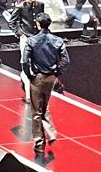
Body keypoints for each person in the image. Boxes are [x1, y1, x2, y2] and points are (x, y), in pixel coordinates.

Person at [22, 13, 69, 154]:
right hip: (51, 77)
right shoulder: (58, 40)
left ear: (37, 24)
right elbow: (66, 60)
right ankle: (51, 132)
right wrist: (58, 73)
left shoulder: (31, 41)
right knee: (45, 106)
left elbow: (25, 61)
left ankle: (39, 143)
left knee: (36, 111)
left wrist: (29, 75)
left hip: (38, 77)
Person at [8, 0, 44, 103]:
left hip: (37, 39)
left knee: (37, 65)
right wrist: (19, 33)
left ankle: (34, 91)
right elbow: (11, 22)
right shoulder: (20, 7)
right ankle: (28, 94)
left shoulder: (40, 5)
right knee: (26, 64)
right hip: (26, 38)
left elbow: (41, 20)